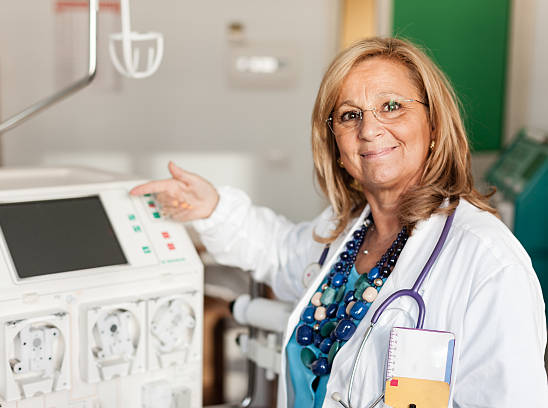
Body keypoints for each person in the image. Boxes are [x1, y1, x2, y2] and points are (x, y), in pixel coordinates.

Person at [130, 37, 548, 407]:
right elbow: (277, 250)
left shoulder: (488, 263)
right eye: (350, 115)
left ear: (434, 125)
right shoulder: (344, 233)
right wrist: (212, 207)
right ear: (336, 145)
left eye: (392, 106)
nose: (369, 130)